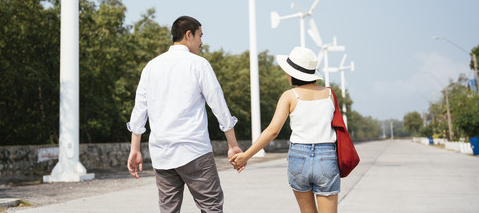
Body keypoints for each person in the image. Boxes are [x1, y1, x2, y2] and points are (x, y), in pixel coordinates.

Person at [127, 15, 243, 213]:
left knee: (168, 210)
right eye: (200, 35)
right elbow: (219, 107)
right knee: (211, 207)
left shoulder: (151, 67)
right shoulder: (199, 64)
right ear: (188, 35)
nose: (201, 41)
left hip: (162, 155)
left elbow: (139, 111)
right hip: (195, 151)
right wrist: (233, 146)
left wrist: (135, 149)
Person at [230, 46, 340, 213]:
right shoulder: (329, 94)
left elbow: (272, 131)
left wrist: (246, 156)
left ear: (293, 73)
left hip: (299, 157)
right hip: (326, 157)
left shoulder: (289, 96)